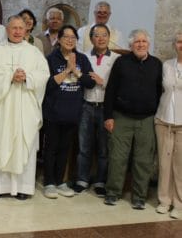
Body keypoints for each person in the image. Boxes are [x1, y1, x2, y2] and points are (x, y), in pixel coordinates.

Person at [0, 15, 49, 200]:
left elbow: (44, 74)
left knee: (23, 143)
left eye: (21, 28)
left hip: (25, 107)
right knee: (0, 142)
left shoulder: (34, 52)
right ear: (7, 30)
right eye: (14, 28)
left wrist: (27, 77)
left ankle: (23, 187)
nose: (18, 31)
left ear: (26, 30)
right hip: (3, 106)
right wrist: (9, 77)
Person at [103, 29, 162, 210]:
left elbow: (160, 92)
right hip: (122, 117)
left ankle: (139, 197)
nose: (141, 44)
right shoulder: (121, 62)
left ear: (148, 44)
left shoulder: (157, 64)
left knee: (143, 160)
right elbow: (110, 90)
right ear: (130, 45)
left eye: (144, 41)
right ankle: (112, 192)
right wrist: (108, 117)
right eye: (137, 42)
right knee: (117, 158)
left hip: (147, 120)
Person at [42, 25, 95, 199]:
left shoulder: (82, 58)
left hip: (73, 111)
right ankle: (49, 182)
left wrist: (76, 71)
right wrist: (67, 70)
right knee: (51, 148)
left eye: (73, 38)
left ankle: (60, 181)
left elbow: (90, 83)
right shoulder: (51, 58)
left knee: (65, 148)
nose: (70, 40)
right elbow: (47, 85)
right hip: (53, 111)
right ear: (59, 40)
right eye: (67, 37)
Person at [72, 24, 120, 197]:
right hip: (86, 105)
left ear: (109, 37)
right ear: (91, 38)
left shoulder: (116, 59)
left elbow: (119, 86)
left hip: (106, 109)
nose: (100, 38)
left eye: (104, 35)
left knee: (103, 148)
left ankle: (100, 181)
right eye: (97, 35)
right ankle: (82, 179)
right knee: (84, 146)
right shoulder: (84, 57)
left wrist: (102, 82)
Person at [154, 31, 182, 219]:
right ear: (175, 45)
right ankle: (164, 200)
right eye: (179, 41)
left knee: (180, 165)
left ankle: (179, 203)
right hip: (163, 120)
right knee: (164, 163)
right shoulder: (167, 65)